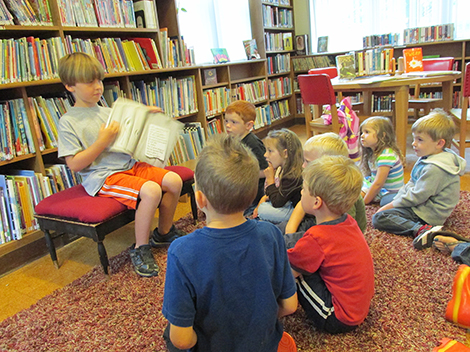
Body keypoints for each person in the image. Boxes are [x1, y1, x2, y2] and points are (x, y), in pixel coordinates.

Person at [162, 134, 298, 352]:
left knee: (170, 333)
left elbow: (182, 340)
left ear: (200, 199)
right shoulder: (271, 234)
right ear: (254, 192)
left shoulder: (181, 251)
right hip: (265, 345)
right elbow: (289, 305)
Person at [57, 52, 185, 278]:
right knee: (152, 190)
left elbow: (130, 136)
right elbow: (75, 164)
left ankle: (163, 233)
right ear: (70, 86)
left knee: (174, 180)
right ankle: (140, 248)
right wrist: (102, 142)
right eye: (89, 82)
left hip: (129, 165)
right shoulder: (68, 122)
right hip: (103, 176)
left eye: (99, 80)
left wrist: (146, 117)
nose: (98, 87)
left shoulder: (109, 112)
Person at [287, 155, 374, 334]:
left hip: (337, 317)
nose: (301, 193)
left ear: (317, 202)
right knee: (304, 256)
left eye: (303, 189)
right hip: (356, 306)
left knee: (293, 270)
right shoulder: (347, 220)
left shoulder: (317, 238)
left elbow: (288, 273)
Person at [372, 110, 466, 250]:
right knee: (386, 199)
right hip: (422, 203)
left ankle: (421, 229)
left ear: (440, 143)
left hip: (428, 212)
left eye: (420, 140)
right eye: (414, 138)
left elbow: (417, 196)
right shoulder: (431, 155)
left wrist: (392, 206)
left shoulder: (434, 169)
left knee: (379, 217)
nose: (414, 144)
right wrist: (397, 199)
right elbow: (413, 182)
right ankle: (403, 213)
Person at [280, 133, 367, 249]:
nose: (303, 165)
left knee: (285, 243)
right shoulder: (317, 180)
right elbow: (302, 204)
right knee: (279, 229)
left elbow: (341, 237)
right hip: (319, 222)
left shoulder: (342, 195)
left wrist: (293, 239)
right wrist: (290, 229)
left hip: (334, 236)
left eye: (308, 162)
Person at [224, 100, 268, 215]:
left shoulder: (253, 144)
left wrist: (243, 174)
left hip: (254, 192)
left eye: (234, 122)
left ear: (248, 125)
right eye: (226, 121)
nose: (228, 125)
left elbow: (266, 170)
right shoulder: (233, 139)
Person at [253, 128, 303, 224]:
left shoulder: (292, 176)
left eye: (270, 151)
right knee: (265, 204)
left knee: (263, 209)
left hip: (297, 212)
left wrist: (270, 180)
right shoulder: (288, 169)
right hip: (289, 204)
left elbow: (277, 202)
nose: (265, 155)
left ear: (285, 153)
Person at [359, 116, 405, 206]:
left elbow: (378, 184)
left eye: (367, 132)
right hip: (378, 187)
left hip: (390, 193)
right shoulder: (374, 152)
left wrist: (364, 202)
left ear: (383, 136)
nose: (362, 135)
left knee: (357, 197)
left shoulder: (386, 155)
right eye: (362, 132)